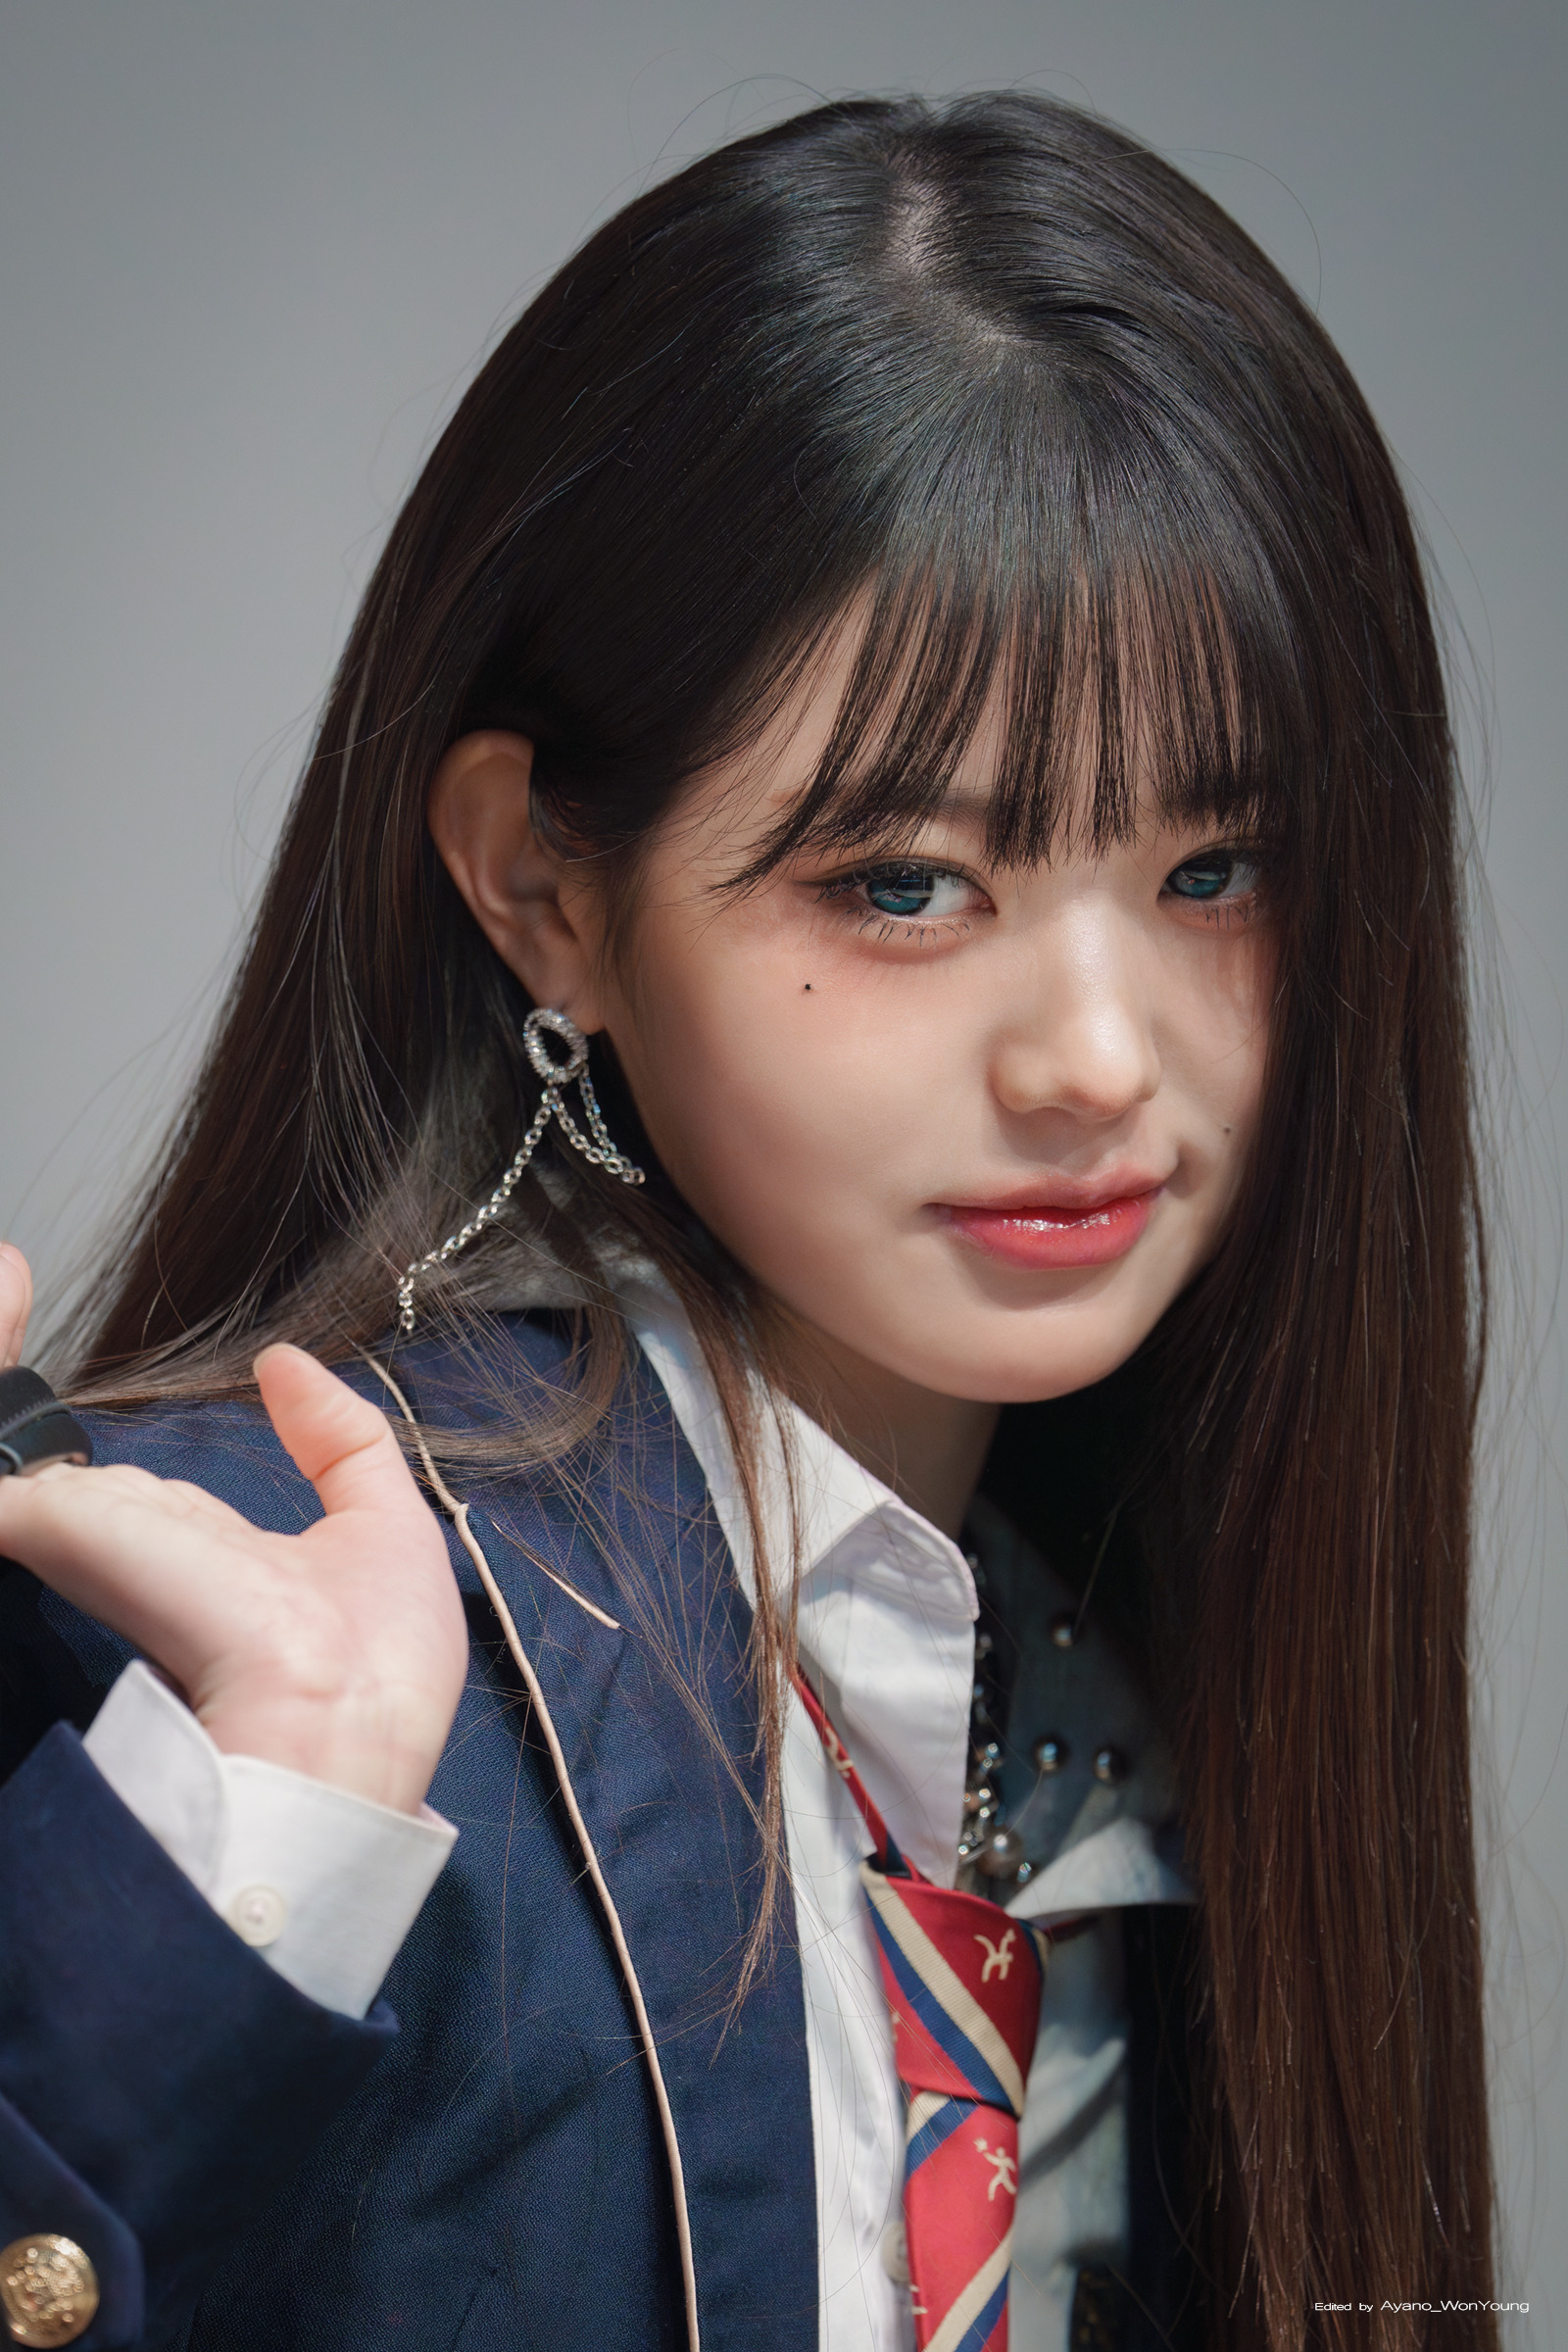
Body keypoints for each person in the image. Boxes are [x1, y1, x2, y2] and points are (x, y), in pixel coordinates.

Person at [0, 89, 1497, 2352]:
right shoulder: (257, 1655)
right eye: (903, 885)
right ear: (541, 889)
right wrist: (238, 1879)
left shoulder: (1108, 1712)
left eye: (1212, 869)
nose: (1096, 1056)